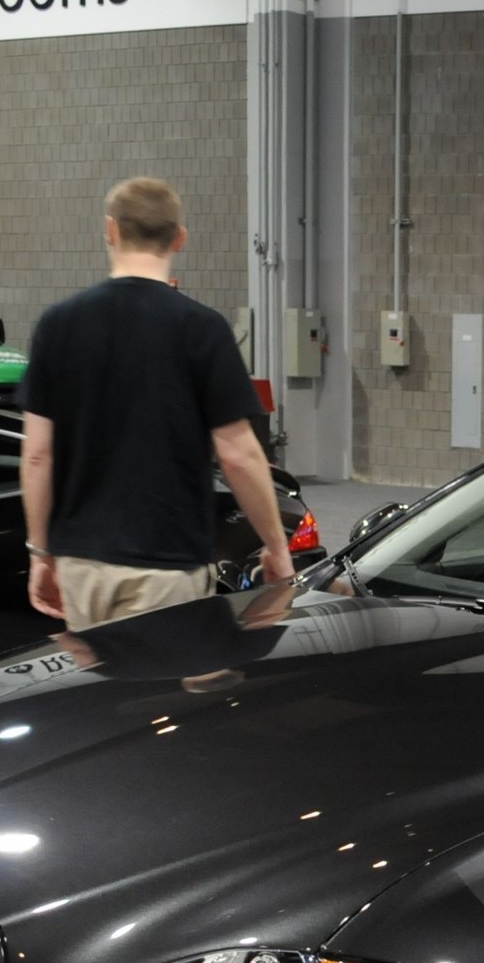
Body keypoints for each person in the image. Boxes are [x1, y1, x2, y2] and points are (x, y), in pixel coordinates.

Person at [20, 176, 292, 631]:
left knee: (98, 700)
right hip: (167, 567)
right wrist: (276, 548)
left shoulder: (57, 324)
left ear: (110, 230)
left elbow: (37, 454)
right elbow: (239, 454)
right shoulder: (202, 329)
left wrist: (40, 551)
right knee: (159, 697)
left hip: (82, 565)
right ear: (179, 239)